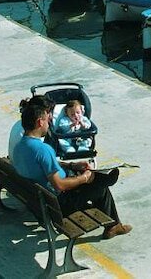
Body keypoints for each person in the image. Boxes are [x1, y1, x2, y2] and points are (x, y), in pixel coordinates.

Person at [11, 99, 132, 239]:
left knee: (94, 181)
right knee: (100, 188)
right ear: (40, 122)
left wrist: (71, 165)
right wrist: (83, 178)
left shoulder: (20, 146)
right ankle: (113, 225)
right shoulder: (43, 149)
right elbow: (60, 185)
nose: (49, 123)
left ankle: (102, 183)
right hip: (58, 204)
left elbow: (43, 166)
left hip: (37, 199)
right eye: (47, 120)